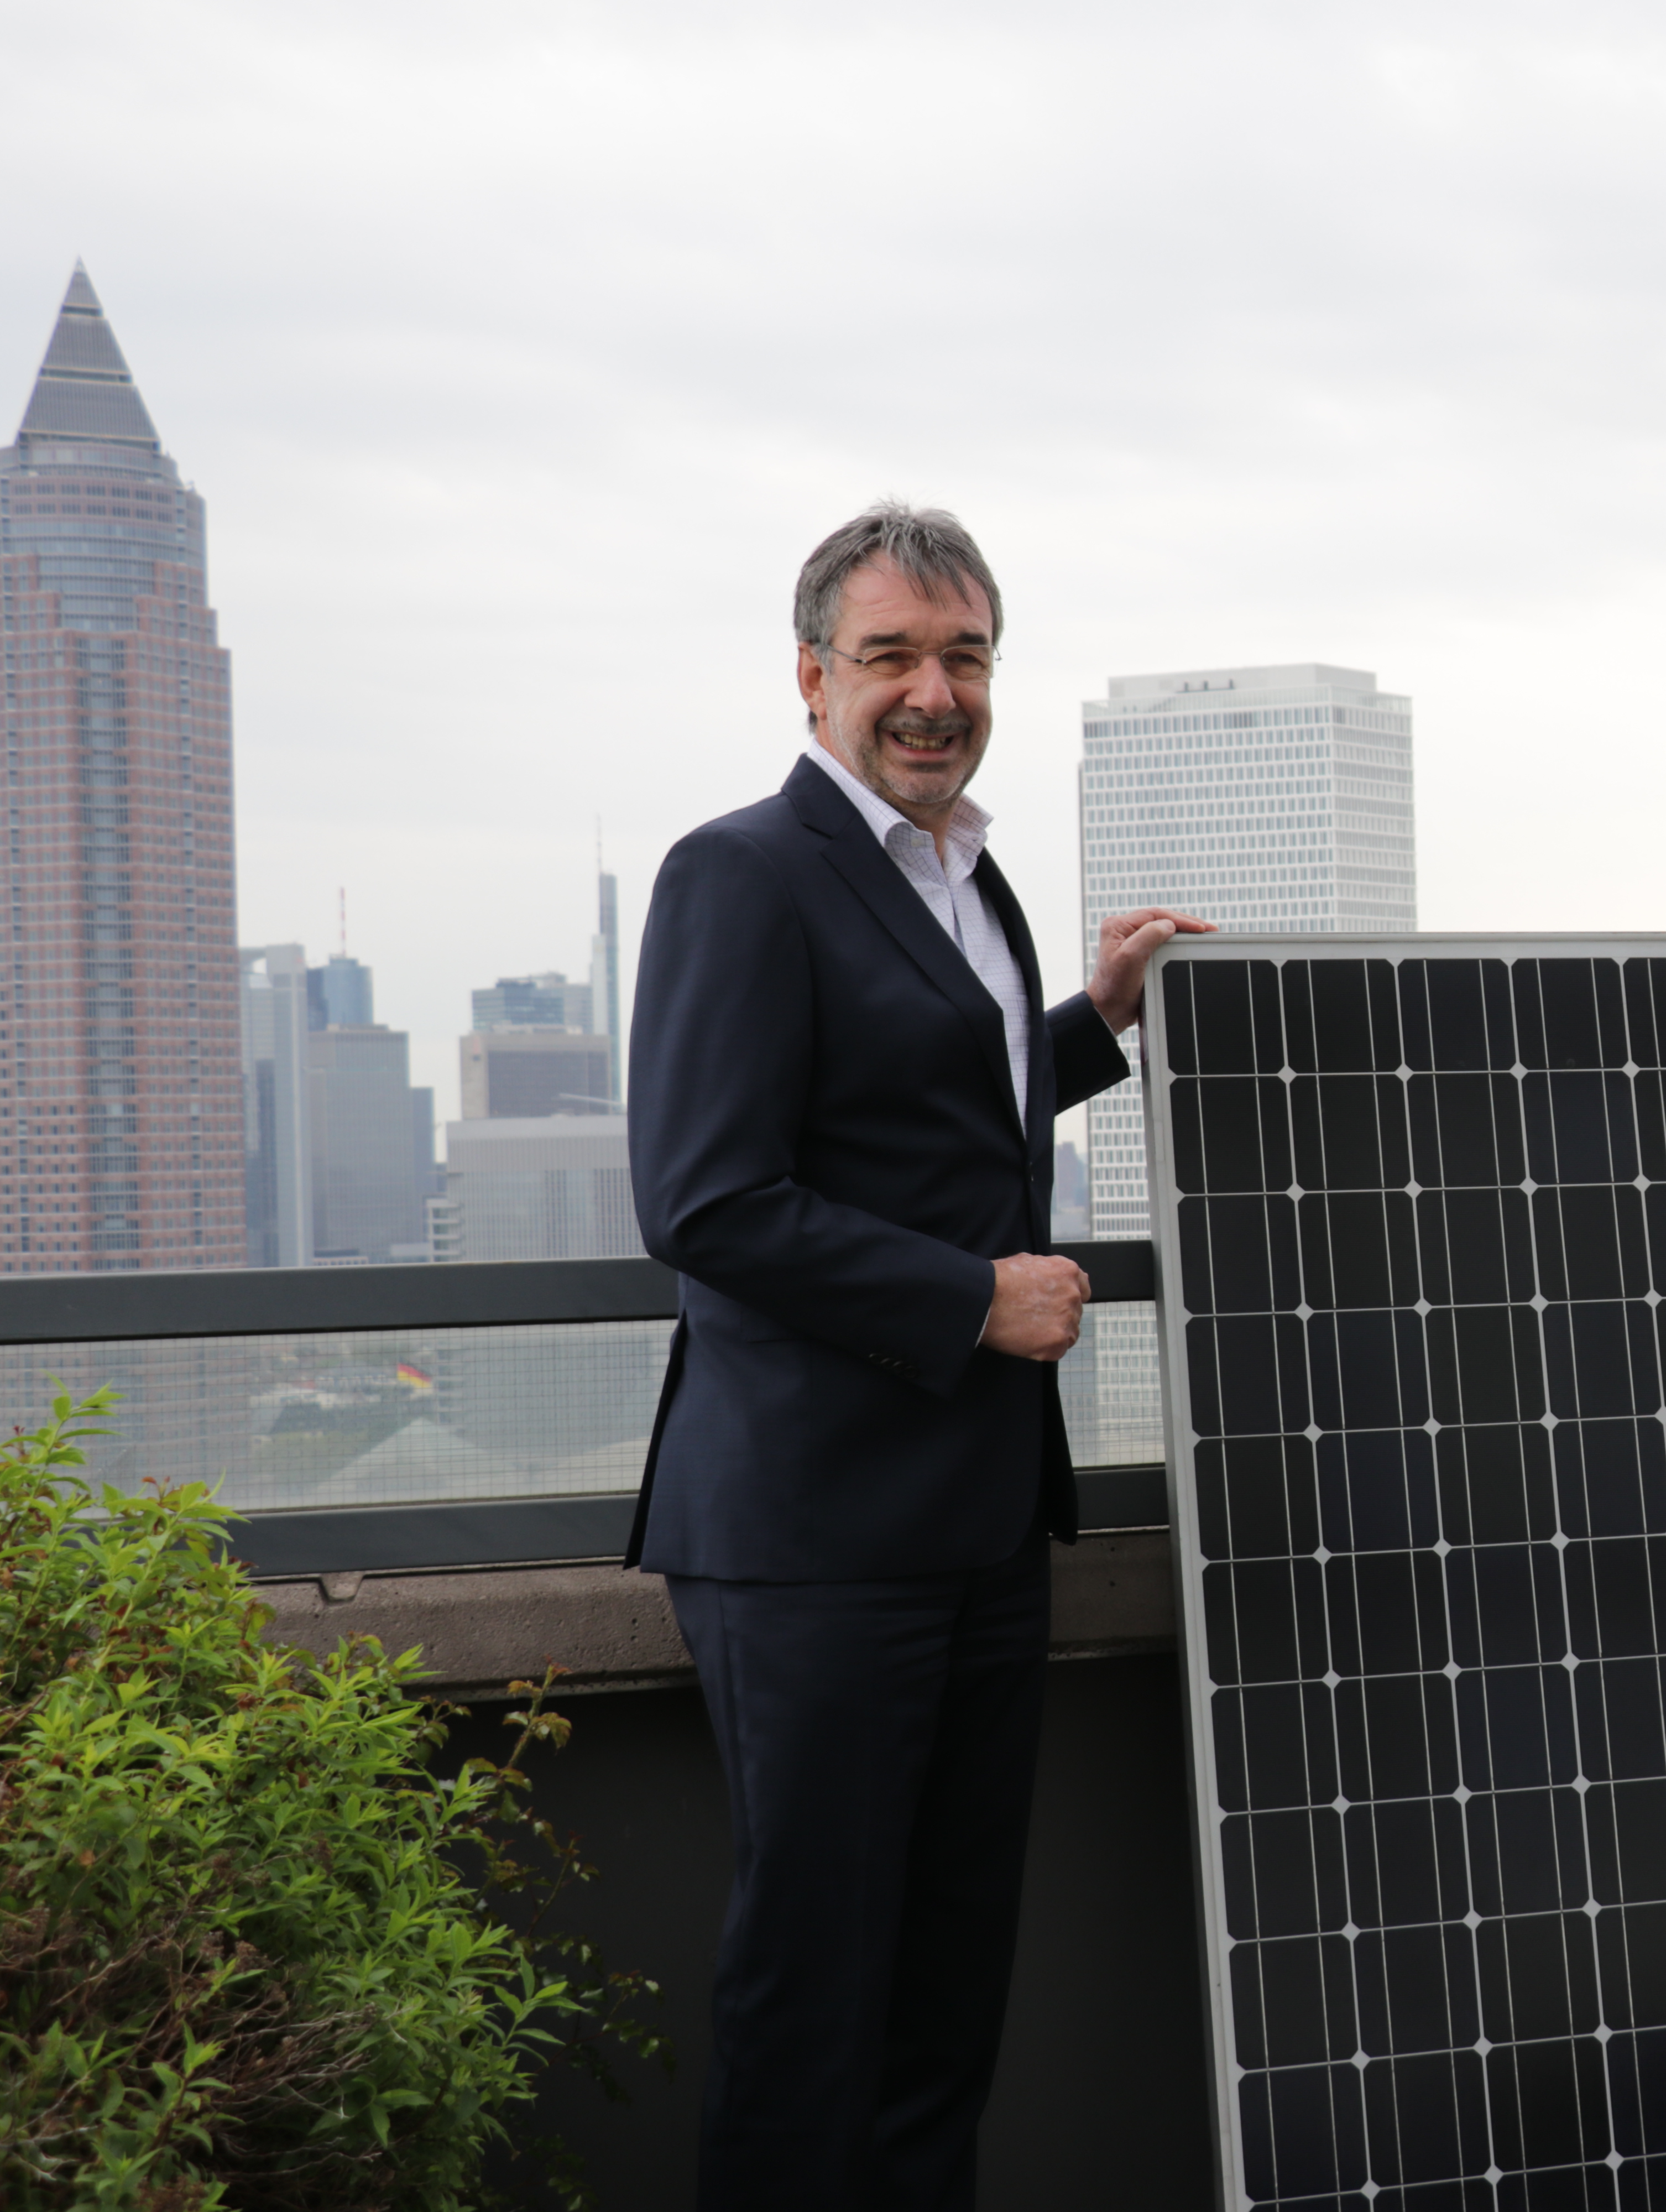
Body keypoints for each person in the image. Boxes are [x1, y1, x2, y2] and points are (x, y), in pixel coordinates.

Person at [625, 502, 1206, 2210]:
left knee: (946, 2007)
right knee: (815, 2005)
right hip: (811, 1542)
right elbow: (710, 1198)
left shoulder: (971, 878)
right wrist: (974, 1300)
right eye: (891, 657)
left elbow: (934, 1113)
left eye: (963, 657)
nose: (931, 692)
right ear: (815, 680)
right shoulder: (742, 873)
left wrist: (1093, 1025)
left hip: (970, 1527)